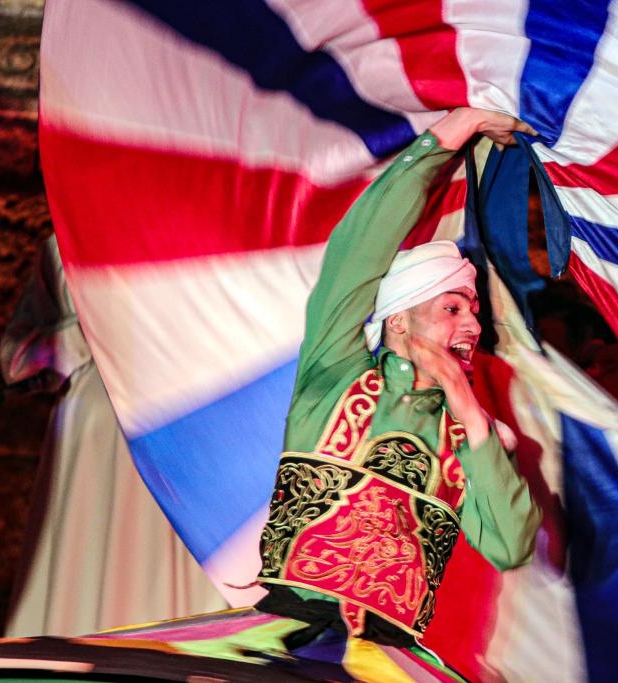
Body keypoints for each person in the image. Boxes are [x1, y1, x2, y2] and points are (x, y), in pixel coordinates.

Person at [61, 107, 541, 683]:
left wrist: (473, 416)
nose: (470, 326)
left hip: (387, 659)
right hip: (279, 641)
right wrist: (453, 132)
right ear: (397, 323)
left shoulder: (477, 441)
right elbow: (358, 249)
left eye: (476, 313)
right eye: (452, 308)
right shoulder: (337, 375)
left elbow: (510, 546)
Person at [1, 235, 227, 637]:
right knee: (87, 589)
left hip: (181, 429)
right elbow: (17, 359)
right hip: (94, 433)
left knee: (171, 605)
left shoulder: (208, 222)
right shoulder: (64, 239)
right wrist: (84, 329)